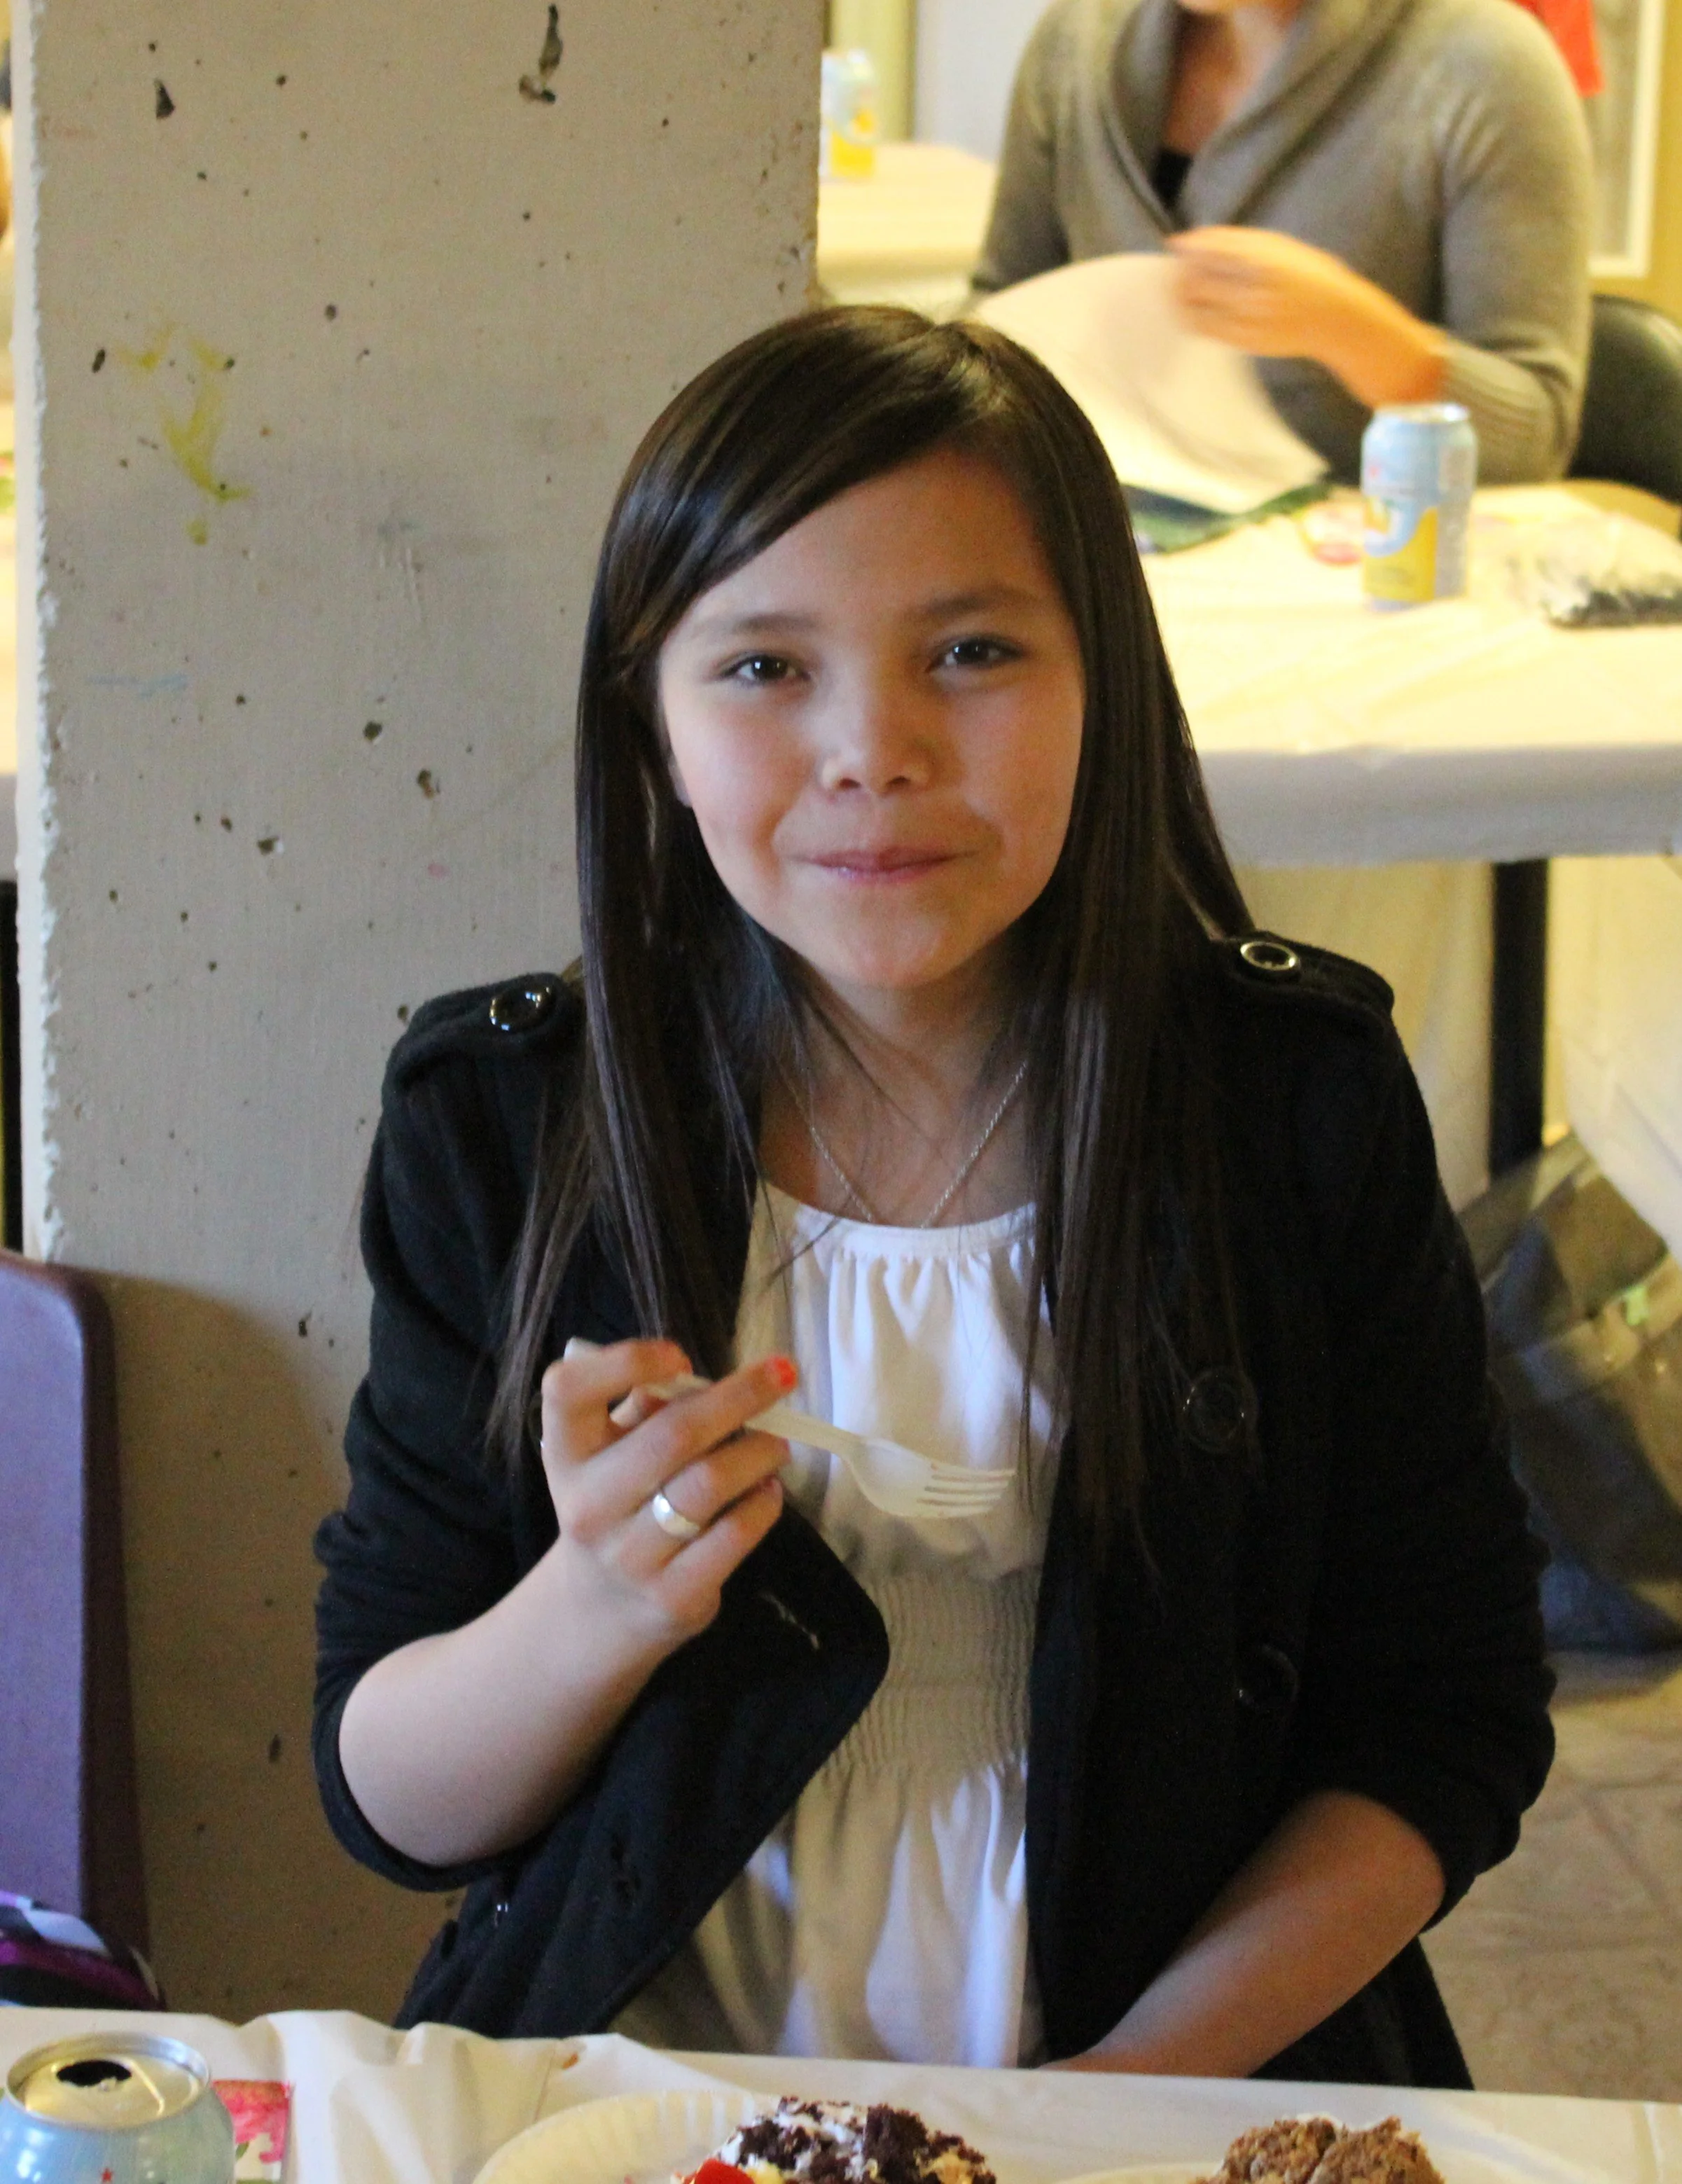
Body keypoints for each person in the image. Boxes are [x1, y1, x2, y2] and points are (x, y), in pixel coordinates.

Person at [312, 305, 1552, 2080]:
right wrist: (596, 1599)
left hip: (1172, 2092)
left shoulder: (1295, 1100)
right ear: (650, 723)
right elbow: (395, 1801)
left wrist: (1090, 2126)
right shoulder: (504, 1123)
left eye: (970, 649)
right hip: (649, 2097)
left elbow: (1444, 1718)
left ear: (1103, 682)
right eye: (762, 668)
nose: (872, 749)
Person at [972, 0, 1595, 482]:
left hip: (1371, 584)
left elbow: (1536, 440)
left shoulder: (1484, 65)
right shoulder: (1076, 44)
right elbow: (993, 325)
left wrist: (1355, 332)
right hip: (1105, 553)